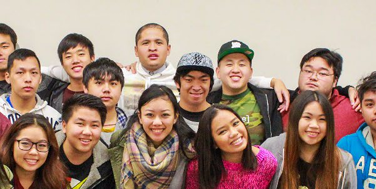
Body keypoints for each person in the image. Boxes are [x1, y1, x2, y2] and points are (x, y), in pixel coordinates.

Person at [120, 23, 287, 116]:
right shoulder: (122, 77)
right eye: (145, 43)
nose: (152, 48)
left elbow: (232, 78)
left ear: (168, 49)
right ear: (136, 50)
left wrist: (273, 82)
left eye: (158, 43)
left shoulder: (184, 79)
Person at [110, 85, 195, 189]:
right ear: (140, 117)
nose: (157, 122)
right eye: (150, 115)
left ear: (175, 117)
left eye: (165, 115)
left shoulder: (187, 150)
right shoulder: (121, 144)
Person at [207, 40, 283, 145]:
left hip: (262, 160)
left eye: (242, 64)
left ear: (251, 72)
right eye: (229, 64)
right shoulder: (207, 103)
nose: (236, 70)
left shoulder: (269, 99)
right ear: (218, 72)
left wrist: (276, 81)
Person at [281, 48, 364, 141]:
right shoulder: (284, 103)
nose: (313, 77)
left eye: (322, 73)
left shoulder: (354, 107)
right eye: (308, 71)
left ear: (335, 81)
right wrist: (273, 81)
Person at [0, 49, 62, 132]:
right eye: (20, 72)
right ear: (8, 77)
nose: (28, 79)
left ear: (40, 78)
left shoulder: (54, 118)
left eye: (34, 73)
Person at [40, 33, 96, 112]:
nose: (75, 60)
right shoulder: (54, 95)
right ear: (62, 64)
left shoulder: (103, 92)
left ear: (92, 58)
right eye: (68, 56)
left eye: (81, 54)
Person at [83, 58, 128, 146]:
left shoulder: (132, 125)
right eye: (99, 83)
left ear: (121, 89)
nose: (106, 89)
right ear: (85, 88)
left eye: (113, 83)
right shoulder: (70, 122)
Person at [175, 52, 214, 132]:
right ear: (177, 83)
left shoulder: (220, 117)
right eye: (189, 80)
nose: (196, 87)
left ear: (210, 84)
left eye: (203, 80)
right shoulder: (169, 117)